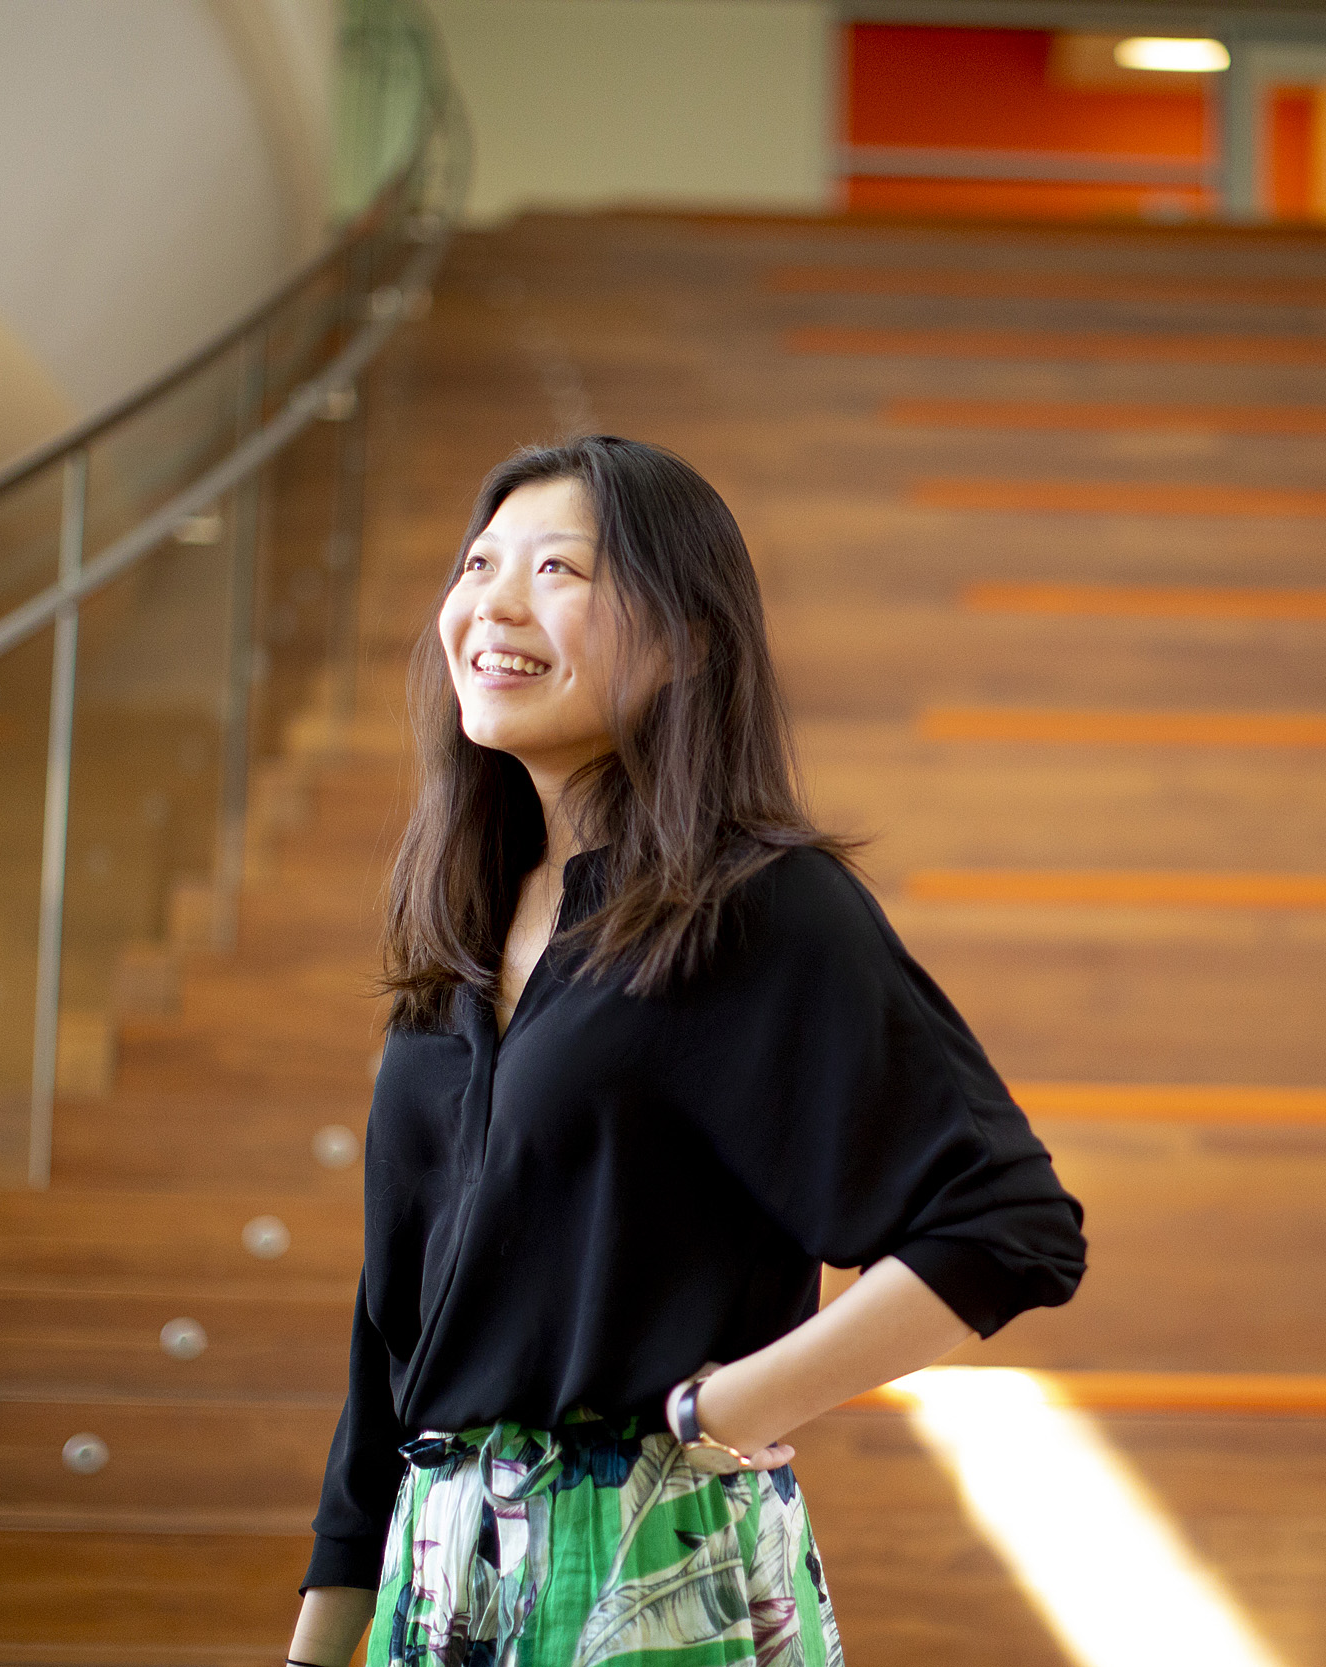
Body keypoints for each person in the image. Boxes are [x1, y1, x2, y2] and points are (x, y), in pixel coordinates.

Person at [285, 435, 1088, 1665]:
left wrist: (728, 1409)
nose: (491, 603)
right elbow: (390, 1339)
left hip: (650, 1566)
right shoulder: (456, 930)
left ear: (688, 639)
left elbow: (1007, 1220)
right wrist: (320, 1639)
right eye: (479, 561)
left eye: (557, 569)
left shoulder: (757, 904)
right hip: (433, 1581)